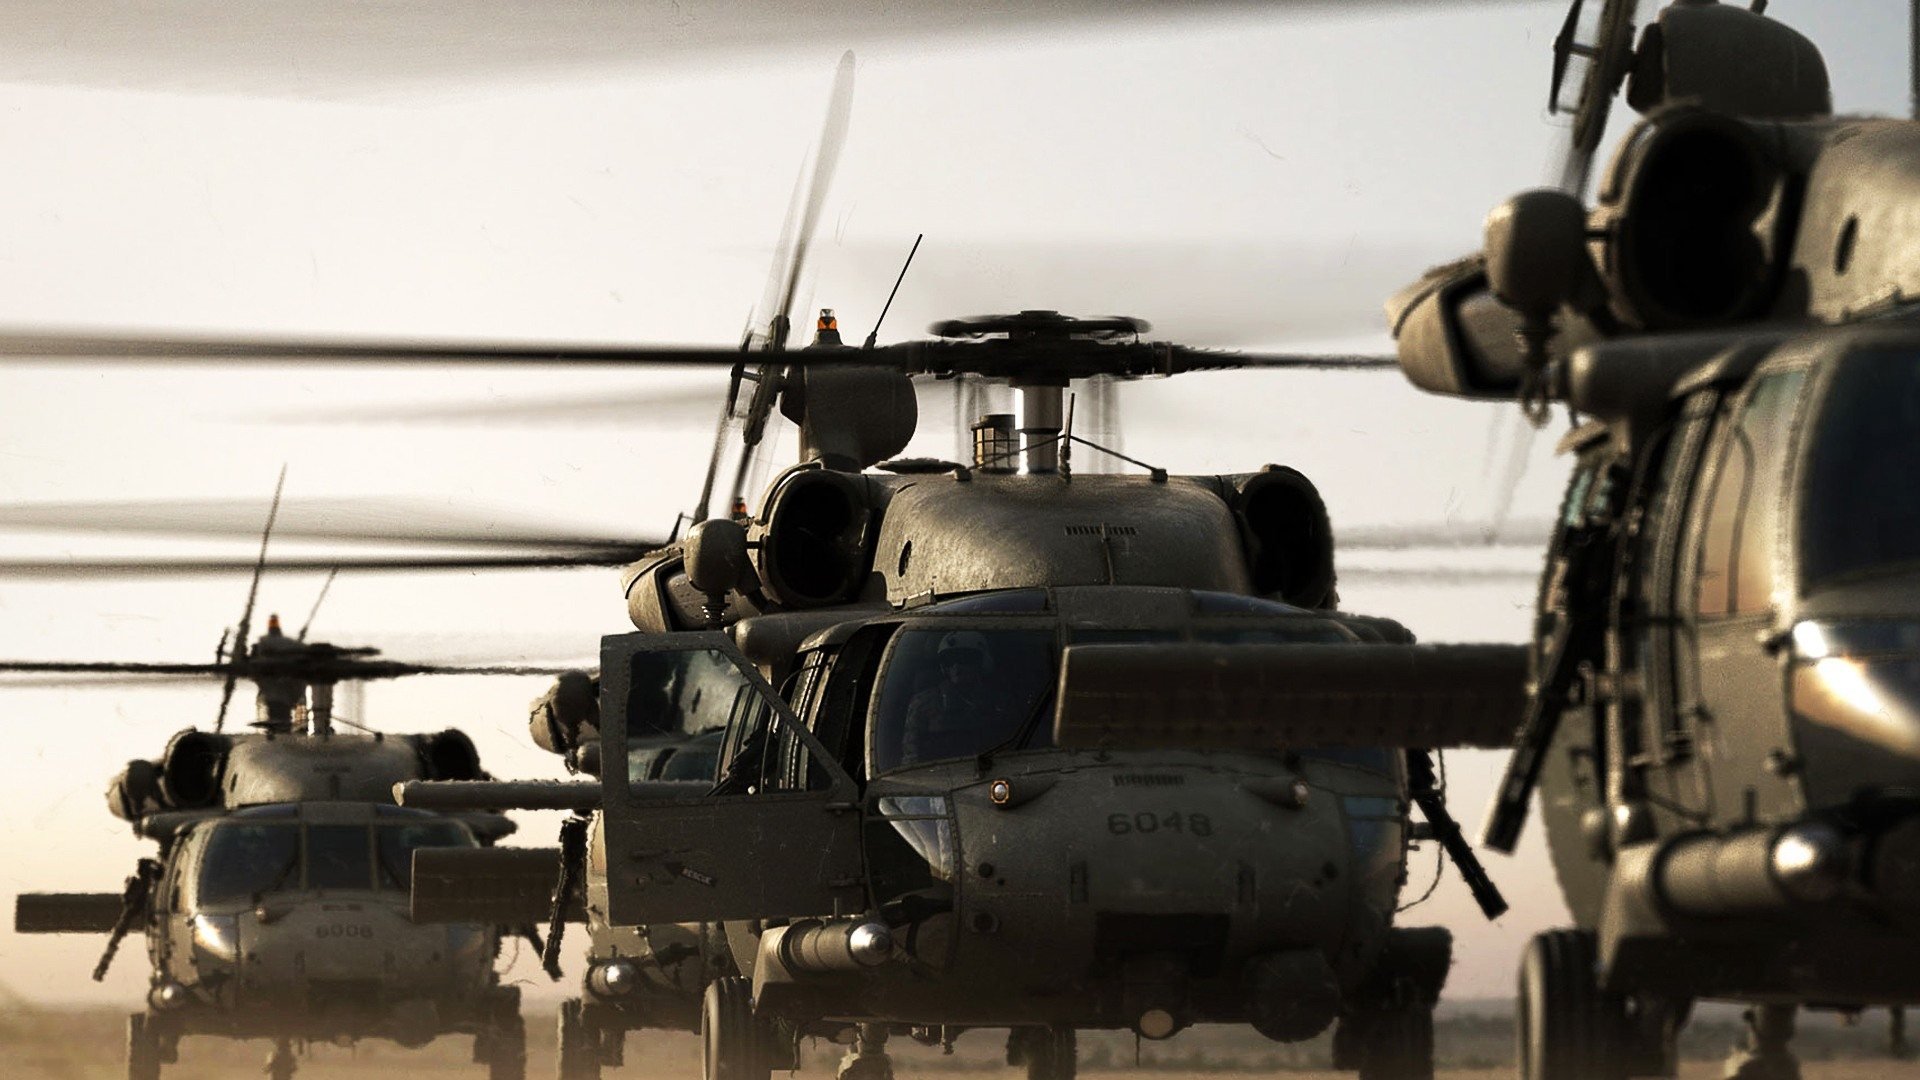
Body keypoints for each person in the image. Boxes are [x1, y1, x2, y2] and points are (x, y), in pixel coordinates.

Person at [901, 632, 996, 764]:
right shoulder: (924, 703)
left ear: (980, 662)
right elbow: (911, 756)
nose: (956, 667)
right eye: (949, 661)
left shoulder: (996, 700)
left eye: (964, 659)